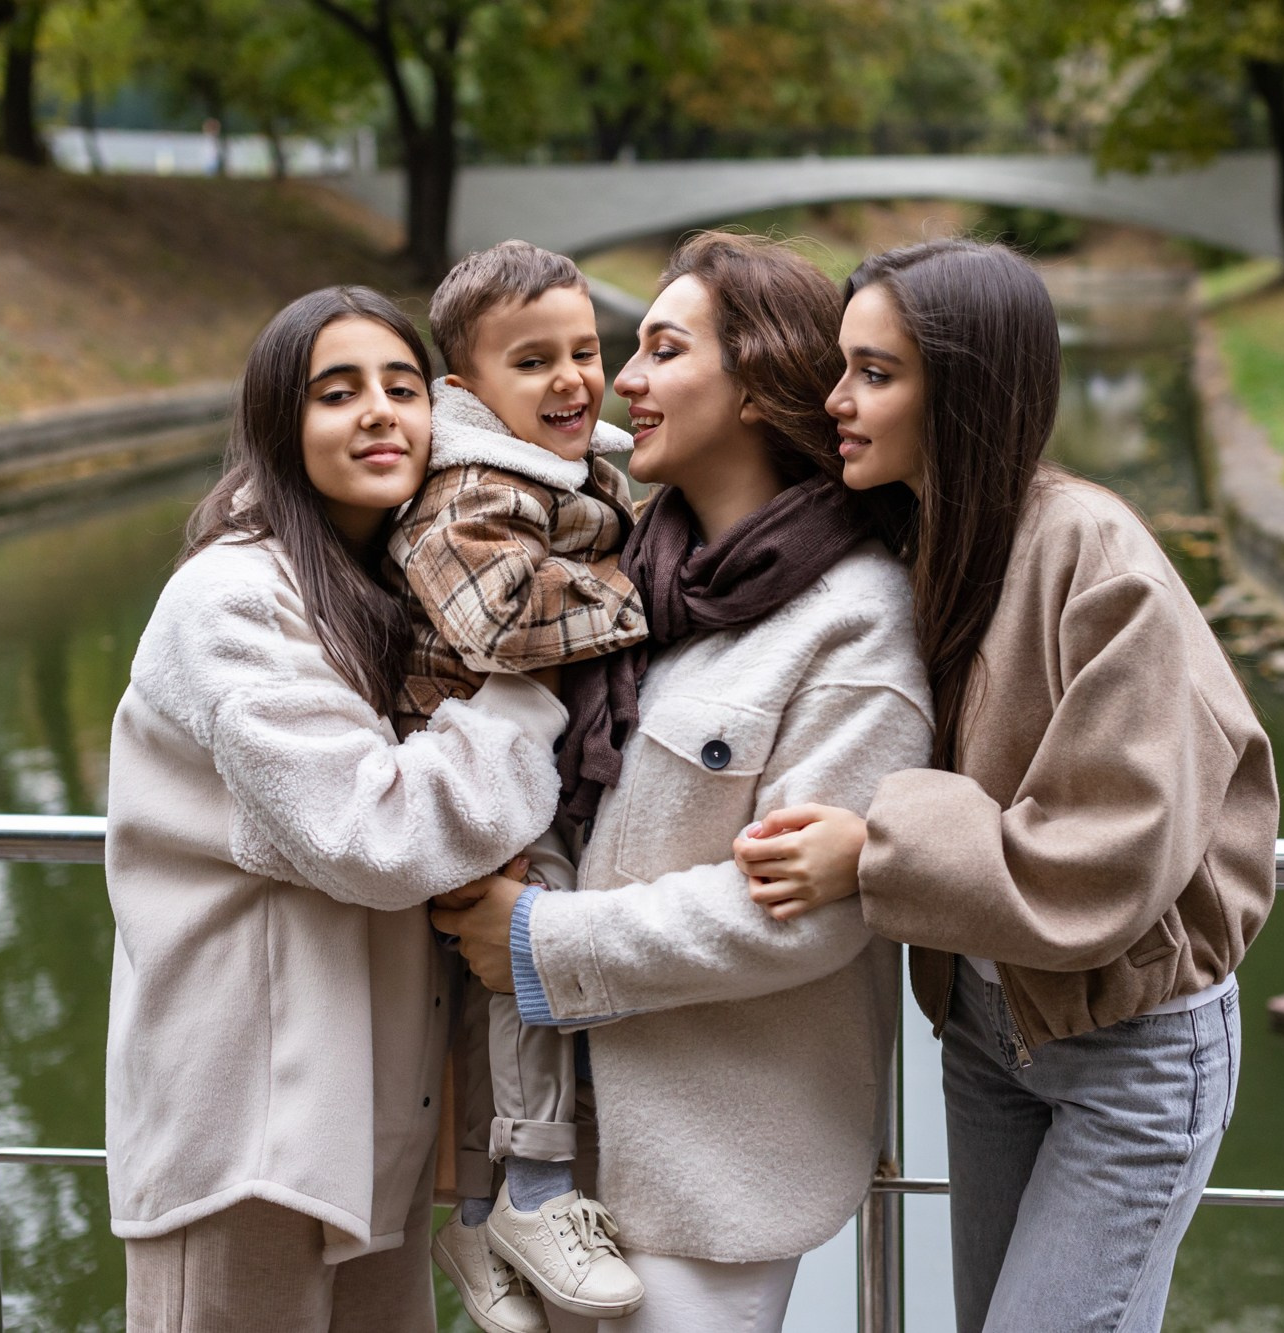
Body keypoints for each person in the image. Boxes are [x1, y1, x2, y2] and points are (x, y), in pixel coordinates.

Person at [732, 239, 1280, 1333]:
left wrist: (872, 851)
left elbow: (1108, 853)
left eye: (875, 374)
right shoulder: (921, 535)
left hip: (1130, 1039)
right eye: (845, 367)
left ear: (967, 386)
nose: (838, 400)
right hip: (987, 1029)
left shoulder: (1096, 555)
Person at [432, 233, 932, 1333]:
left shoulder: (854, 622)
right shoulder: (614, 566)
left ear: (755, 384)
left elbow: (804, 917)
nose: (621, 379)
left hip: (711, 1163)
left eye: (661, 350)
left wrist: (533, 941)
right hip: (548, 1155)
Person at [104, 285, 569, 1333]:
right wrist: (525, 693)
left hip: (369, 1122)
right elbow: (374, 835)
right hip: (246, 1128)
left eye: (401, 386)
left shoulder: (394, 590)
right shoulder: (231, 598)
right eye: (336, 392)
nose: (377, 412)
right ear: (279, 425)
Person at [389, 241, 646, 1331]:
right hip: (476, 769)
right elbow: (492, 619)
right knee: (528, 948)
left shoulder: (575, 468)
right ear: (464, 393)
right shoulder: (469, 488)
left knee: (505, 982)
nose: (571, 379)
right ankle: (535, 1184)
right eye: (531, 361)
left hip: (525, 758)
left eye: (584, 351)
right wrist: (641, 600)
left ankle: (479, 1207)